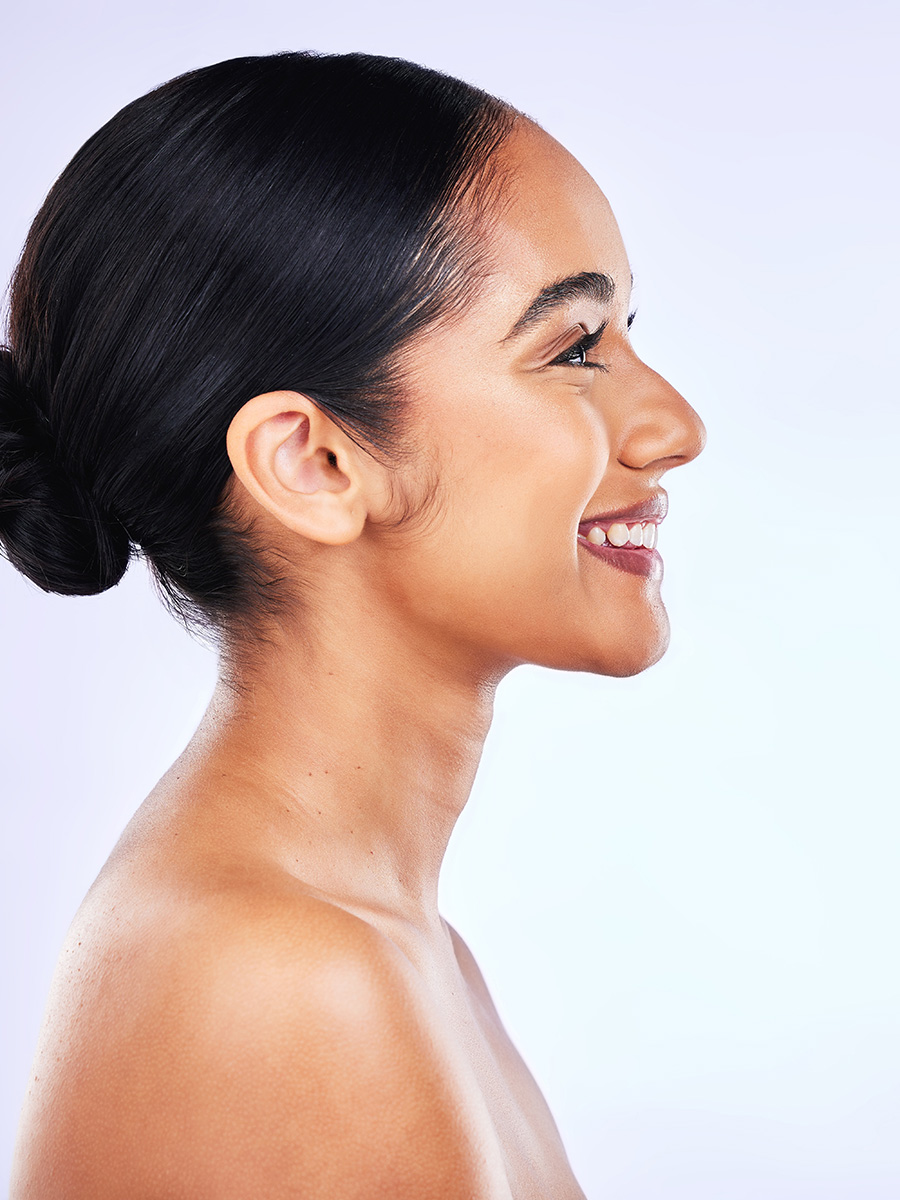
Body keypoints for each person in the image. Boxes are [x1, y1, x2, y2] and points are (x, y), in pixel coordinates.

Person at [1, 51, 705, 1199]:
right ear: (315, 461)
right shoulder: (282, 974)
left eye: (627, 332)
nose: (676, 426)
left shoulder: (391, 947)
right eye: (576, 348)